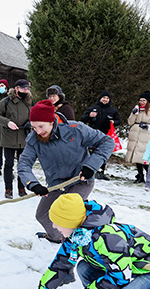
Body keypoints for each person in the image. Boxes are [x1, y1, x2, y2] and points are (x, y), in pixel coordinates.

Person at [25, 194, 150, 289]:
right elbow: (62, 262)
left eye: (58, 222)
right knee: (84, 267)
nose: (54, 226)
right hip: (128, 268)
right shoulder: (76, 234)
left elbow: (121, 276)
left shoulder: (108, 237)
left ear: (72, 221)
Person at [19, 99, 114, 244]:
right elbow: (24, 164)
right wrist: (32, 184)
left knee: (69, 214)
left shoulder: (76, 129)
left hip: (81, 180)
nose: (38, 131)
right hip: (56, 183)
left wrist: (91, 166)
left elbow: (107, 142)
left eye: (41, 126)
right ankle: (56, 237)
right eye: (34, 127)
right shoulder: (34, 139)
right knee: (42, 215)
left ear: (51, 121)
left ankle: (79, 243)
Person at [0, 79, 33, 199]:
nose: (26, 91)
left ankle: (21, 188)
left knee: (22, 165)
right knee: (9, 164)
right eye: (23, 88)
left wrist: (30, 123)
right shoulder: (6, 101)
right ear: (16, 89)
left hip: (23, 137)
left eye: (27, 88)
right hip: (9, 137)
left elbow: (35, 115)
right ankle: (8, 189)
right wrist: (7, 122)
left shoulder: (29, 101)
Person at [80, 90, 121, 180]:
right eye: (104, 98)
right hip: (92, 134)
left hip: (105, 136)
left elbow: (119, 121)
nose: (105, 100)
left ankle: (100, 172)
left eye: (107, 98)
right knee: (89, 152)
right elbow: (83, 119)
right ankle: (85, 169)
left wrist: (114, 122)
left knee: (101, 154)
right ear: (100, 99)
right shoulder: (93, 108)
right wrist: (89, 115)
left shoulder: (113, 110)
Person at [126, 91, 150, 183]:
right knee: (136, 157)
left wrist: (148, 127)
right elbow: (130, 122)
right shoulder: (137, 110)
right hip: (136, 135)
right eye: (140, 100)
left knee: (144, 158)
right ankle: (140, 176)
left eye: (144, 100)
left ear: (148, 101)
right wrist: (133, 114)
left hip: (146, 137)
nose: (142, 102)